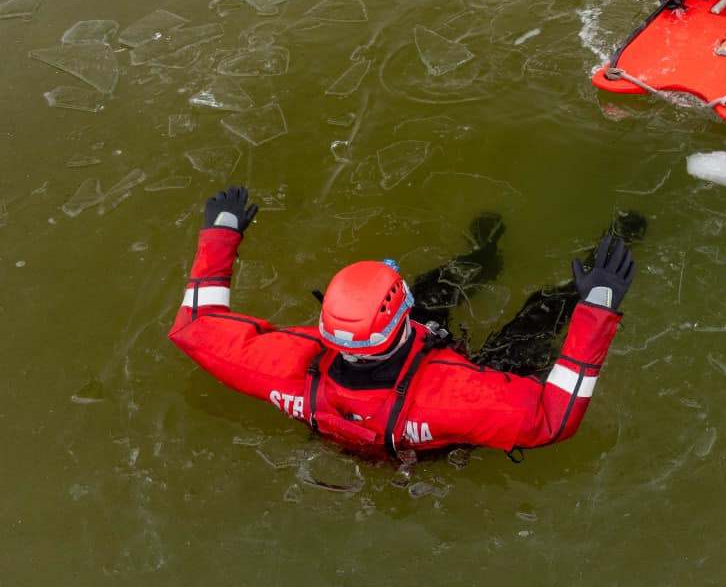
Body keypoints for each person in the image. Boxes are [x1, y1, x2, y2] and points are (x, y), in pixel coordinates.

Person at [169, 186, 639, 460]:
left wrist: (220, 232)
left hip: (375, 415)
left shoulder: (283, 368)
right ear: (401, 321)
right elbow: (552, 420)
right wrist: (597, 307)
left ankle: (484, 257)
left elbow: (195, 326)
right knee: (533, 320)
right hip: (436, 423)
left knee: (437, 290)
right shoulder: (454, 396)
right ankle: (588, 270)